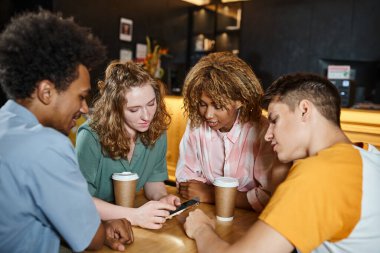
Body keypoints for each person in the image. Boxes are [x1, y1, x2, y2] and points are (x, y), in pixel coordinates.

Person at [183, 73, 380, 253]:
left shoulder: (320, 174)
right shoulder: (368, 156)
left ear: (304, 110)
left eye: (275, 120)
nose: (268, 135)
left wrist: (201, 228)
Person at [0, 10, 134, 253]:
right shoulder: (48, 145)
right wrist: (101, 229)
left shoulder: (5, 122)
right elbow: (90, 241)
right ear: (46, 92)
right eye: (81, 97)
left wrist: (99, 224)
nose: (84, 109)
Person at [175, 52, 290, 211]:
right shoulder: (195, 125)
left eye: (218, 106)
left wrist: (211, 194)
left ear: (240, 101)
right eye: (202, 104)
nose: (208, 114)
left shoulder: (264, 131)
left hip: (249, 223)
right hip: (204, 214)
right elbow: (186, 184)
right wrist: (241, 196)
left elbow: (269, 197)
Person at [75, 60, 181, 229]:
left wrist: (162, 198)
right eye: (134, 109)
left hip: (128, 224)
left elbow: (153, 181)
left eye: (151, 104)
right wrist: (135, 216)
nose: (147, 116)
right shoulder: (90, 137)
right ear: (115, 109)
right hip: (92, 225)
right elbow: (78, 201)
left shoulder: (157, 132)